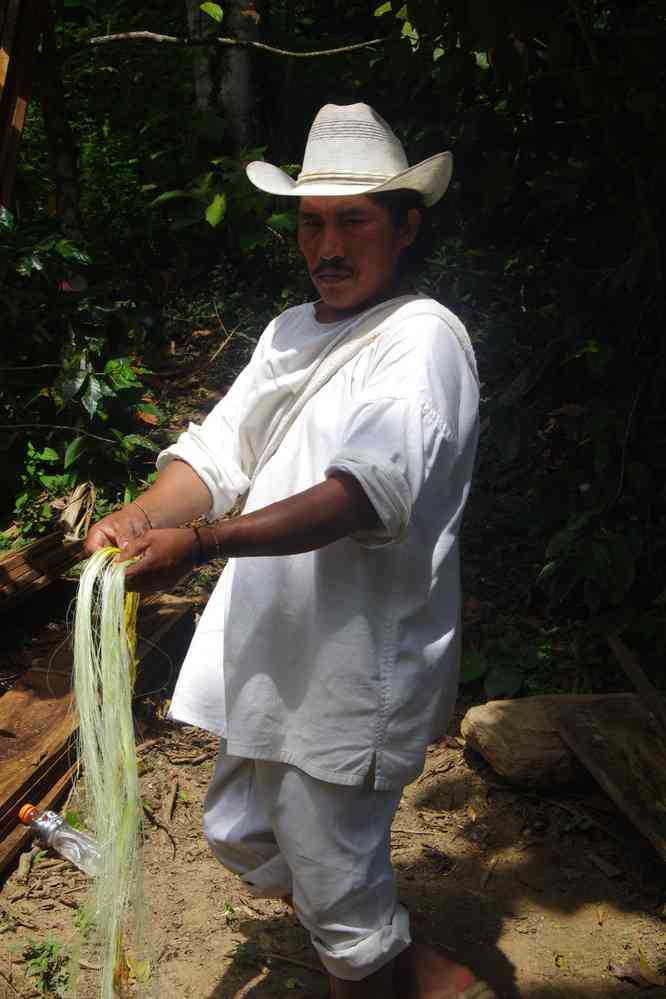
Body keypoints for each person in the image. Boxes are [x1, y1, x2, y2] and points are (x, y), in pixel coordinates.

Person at [85, 103, 491, 998]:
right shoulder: (288, 332)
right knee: (242, 829)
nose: (329, 244)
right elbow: (217, 453)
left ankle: (382, 969)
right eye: (313, 222)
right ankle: (432, 977)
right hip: (276, 654)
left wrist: (198, 545)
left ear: (406, 225)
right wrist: (143, 515)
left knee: (344, 911)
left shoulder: (421, 341)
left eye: (354, 219)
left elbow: (359, 494)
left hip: (354, 666)